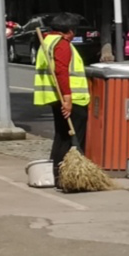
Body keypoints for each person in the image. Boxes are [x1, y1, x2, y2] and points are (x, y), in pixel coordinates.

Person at [33, 12, 91, 189]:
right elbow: (61, 72)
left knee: (61, 136)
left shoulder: (47, 41)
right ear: (70, 31)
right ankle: (68, 177)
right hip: (73, 98)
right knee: (71, 138)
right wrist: (67, 99)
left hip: (55, 97)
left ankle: (58, 175)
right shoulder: (62, 44)